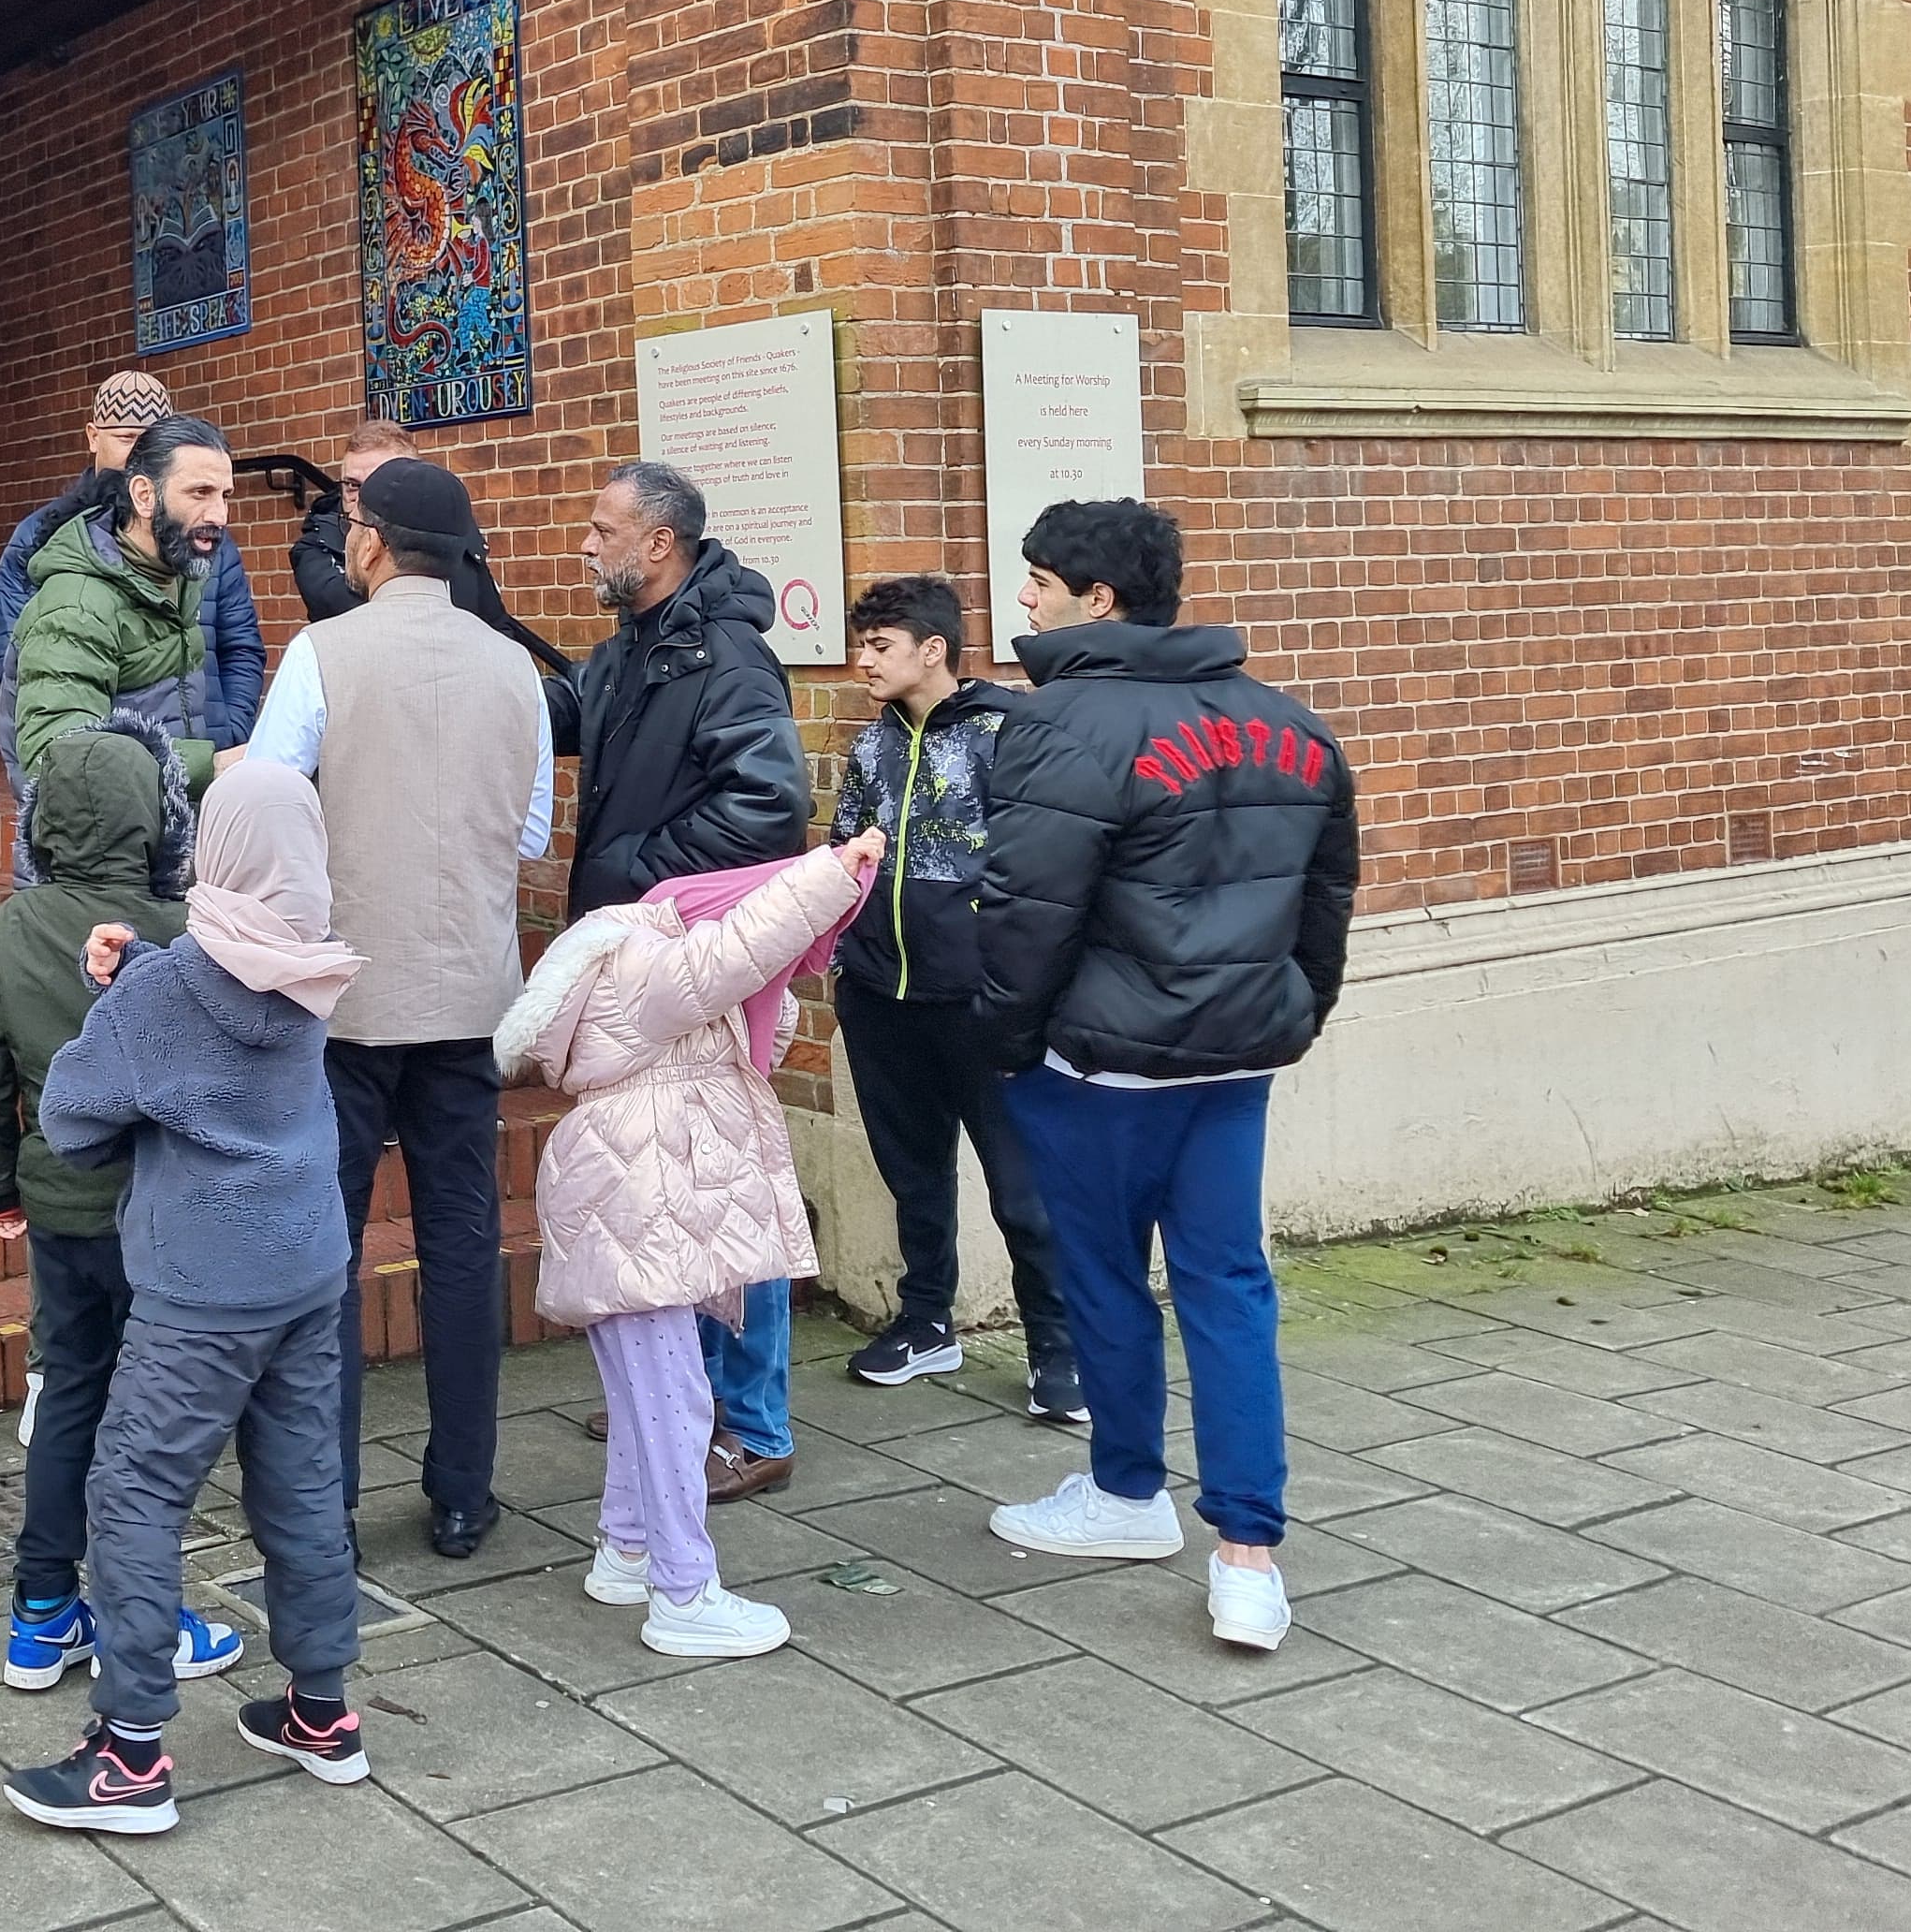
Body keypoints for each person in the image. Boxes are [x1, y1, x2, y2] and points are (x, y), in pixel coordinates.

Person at [974, 498, 1360, 1658]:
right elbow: (1325, 903)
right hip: (1236, 1053)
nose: (1024, 599)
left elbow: (1027, 915)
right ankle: (1249, 1560)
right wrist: (1290, 1014)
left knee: (1101, 1274)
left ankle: (1127, 1493)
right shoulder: (1292, 725)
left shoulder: (1061, 725)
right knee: (1228, 1285)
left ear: (1098, 600)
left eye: (1039, 580)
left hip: (1098, 1061)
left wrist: (1003, 1039)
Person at [5, 762, 374, 1835]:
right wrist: (142, 971)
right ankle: (320, 1712)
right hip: (306, 1268)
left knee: (134, 1495)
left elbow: (73, 1118)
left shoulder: (165, 994)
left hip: (198, 1291)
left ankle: (126, 1758)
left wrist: (117, 993)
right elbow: (230, 996)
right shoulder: (314, 965)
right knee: (304, 1488)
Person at [241, 457, 550, 1559]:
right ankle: (463, 1491)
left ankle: (321, 1498)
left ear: (370, 543)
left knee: (329, 1250)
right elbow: (526, 834)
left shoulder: (321, 652)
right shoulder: (516, 668)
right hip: (469, 992)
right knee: (463, 1243)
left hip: (344, 997)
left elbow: (271, 802)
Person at [499, 825, 884, 1655]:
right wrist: (830, 873)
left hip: (634, 1208)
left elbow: (758, 1029)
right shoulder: (647, 960)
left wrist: (777, 975)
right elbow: (740, 949)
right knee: (676, 1406)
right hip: (635, 1208)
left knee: (651, 1403)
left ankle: (627, 1549)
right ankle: (683, 1593)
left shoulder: (661, 988)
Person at [0, 724, 247, 1696]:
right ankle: (147, 1617)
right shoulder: (179, 935)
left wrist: (0, 1186)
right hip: (155, 1216)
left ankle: (40, 1618)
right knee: (145, 1423)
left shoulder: (15, 922)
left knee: (65, 1396)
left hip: (58, 1209)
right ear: (158, 818)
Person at [553, 461, 817, 1502]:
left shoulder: (728, 660)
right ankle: (678, 1399)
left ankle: (753, 1426)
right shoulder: (629, 651)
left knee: (724, 1187)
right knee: (666, 1186)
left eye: (600, 527)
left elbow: (768, 805)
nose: (585, 543)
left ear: (657, 544)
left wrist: (635, 874)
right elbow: (570, 721)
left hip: (694, 962)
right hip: (644, 957)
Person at [827, 577, 1082, 1425]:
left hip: (982, 1002)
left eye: (880, 646)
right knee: (913, 1174)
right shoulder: (871, 746)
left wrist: (1016, 978)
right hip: (881, 998)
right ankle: (927, 1321)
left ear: (932, 650)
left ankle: (1058, 1351)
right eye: (862, 644)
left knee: (1025, 1189)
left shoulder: (1008, 733)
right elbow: (841, 858)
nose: (862, 660)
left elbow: (1043, 864)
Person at [0, 373, 263, 751]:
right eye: (127, 438)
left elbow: (241, 645)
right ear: (93, 436)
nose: (140, 453)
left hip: (205, 762)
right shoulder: (44, 540)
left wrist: (227, 736)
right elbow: (31, 682)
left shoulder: (206, 538)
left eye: (154, 439)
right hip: (115, 787)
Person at [9, 415, 244, 803]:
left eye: (225, 495)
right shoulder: (79, 603)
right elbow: (58, 756)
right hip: (106, 849)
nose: (219, 515)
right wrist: (210, 765)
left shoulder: (181, 578)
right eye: (200, 492)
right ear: (144, 496)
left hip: (166, 828)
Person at [288, 418, 532, 648]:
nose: (363, 498)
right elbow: (371, 627)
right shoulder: (318, 547)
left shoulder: (451, 537)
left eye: (380, 483)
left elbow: (497, 627)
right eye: (352, 485)